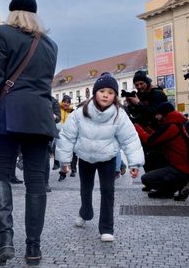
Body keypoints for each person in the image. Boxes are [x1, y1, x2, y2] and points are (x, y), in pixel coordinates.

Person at [0, 0, 57, 266]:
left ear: (12, 13)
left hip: (7, 115)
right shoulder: (50, 45)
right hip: (40, 119)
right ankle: (33, 249)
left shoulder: (1, 33)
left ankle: (5, 241)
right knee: (36, 182)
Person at [56, 73, 144, 243]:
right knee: (85, 188)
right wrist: (65, 161)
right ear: (95, 92)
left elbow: (130, 139)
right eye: (102, 91)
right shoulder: (80, 113)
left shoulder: (119, 115)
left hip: (107, 158)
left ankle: (106, 228)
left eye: (110, 92)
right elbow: (67, 136)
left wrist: (135, 162)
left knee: (108, 191)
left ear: (115, 96)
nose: (106, 95)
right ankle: (85, 212)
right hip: (85, 157)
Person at [135, 102, 189, 200]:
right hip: (183, 166)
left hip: (181, 169)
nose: (156, 117)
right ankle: (168, 189)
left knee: (146, 179)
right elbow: (158, 136)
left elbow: (149, 141)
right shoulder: (176, 123)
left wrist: (136, 126)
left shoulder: (171, 126)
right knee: (153, 156)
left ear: (164, 114)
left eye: (157, 114)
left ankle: (180, 185)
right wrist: (145, 127)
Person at [54, 95, 77, 180]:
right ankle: (62, 172)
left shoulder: (72, 111)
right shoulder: (57, 109)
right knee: (61, 152)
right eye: (65, 102)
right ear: (62, 101)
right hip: (59, 133)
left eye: (68, 102)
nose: (66, 104)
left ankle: (73, 169)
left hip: (70, 133)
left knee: (74, 152)